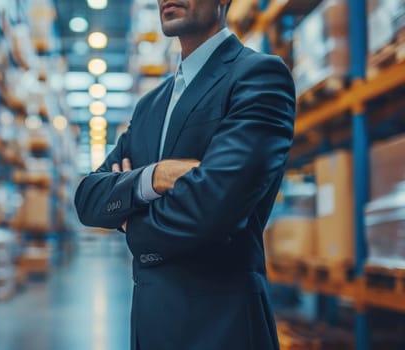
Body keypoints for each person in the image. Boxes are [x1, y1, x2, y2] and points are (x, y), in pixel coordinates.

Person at [74, 0, 295, 349]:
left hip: (222, 329)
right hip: (150, 331)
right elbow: (88, 198)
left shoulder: (258, 76)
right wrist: (154, 177)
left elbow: (213, 208)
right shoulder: (150, 105)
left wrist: (131, 222)